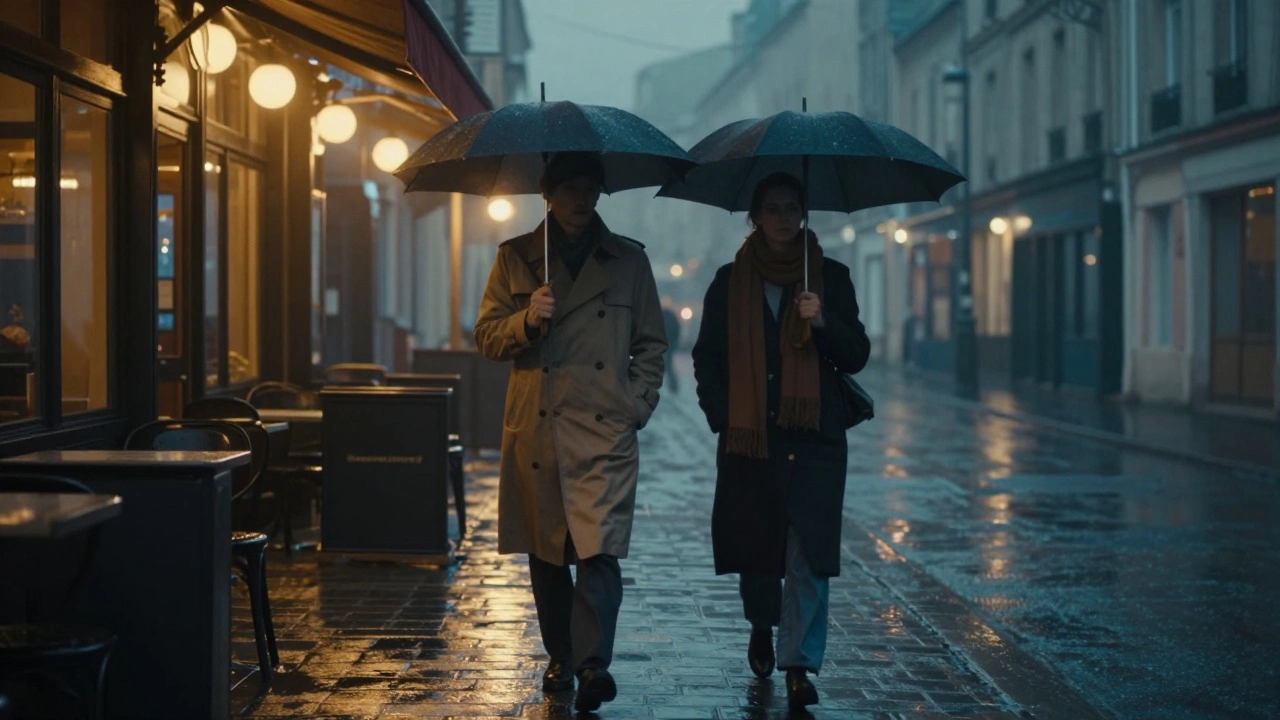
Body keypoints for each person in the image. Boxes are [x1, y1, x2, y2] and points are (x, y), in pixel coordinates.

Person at [473, 151, 668, 713]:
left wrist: (636, 403)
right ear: (548, 194)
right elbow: (486, 337)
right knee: (549, 552)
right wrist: (526, 319)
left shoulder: (629, 260)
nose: (583, 199)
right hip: (540, 427)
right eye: (571, 188)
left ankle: (592, 665)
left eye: (592, 189)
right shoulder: (516, 259)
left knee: (600, 551)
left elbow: (651, 344)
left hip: (605, 429)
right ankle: (560, 654)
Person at [690, 172, 870, 711]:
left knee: (808, 554)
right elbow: (708, 358)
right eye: (773, 208)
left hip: (814, 440)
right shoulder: (728, 281)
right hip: (752, 442)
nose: (784, 217)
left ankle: (799, 665)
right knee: (759, 553)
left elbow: (856, 353)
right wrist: (726, 418)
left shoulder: (830, 277)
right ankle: (762, 625)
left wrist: (824, 322)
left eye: (793, 207)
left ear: (804, 213)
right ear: (756, 216)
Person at [660, 303, 682, 393]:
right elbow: (676, 332)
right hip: (669, 344)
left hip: (661, 344)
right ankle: (673, 386)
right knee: (668, 365)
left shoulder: (660, 317)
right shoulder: (672, 318)